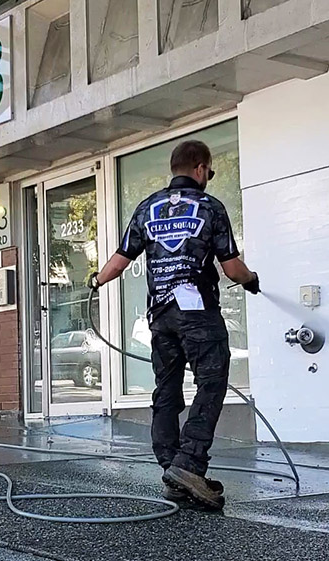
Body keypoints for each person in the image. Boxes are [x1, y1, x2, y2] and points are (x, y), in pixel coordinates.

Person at [88, 140, 259, 510]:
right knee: (211, 383)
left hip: (161, 316)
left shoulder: (147, 208)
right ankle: (189, 462)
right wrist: (251, 280)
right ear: (199, 169)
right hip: (198, 314)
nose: (209, 179)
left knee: (166, 388)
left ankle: (172, 469)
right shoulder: (210, 207)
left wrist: (95, 282)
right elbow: (232, 267)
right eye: (210, 173)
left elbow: (119, 261)